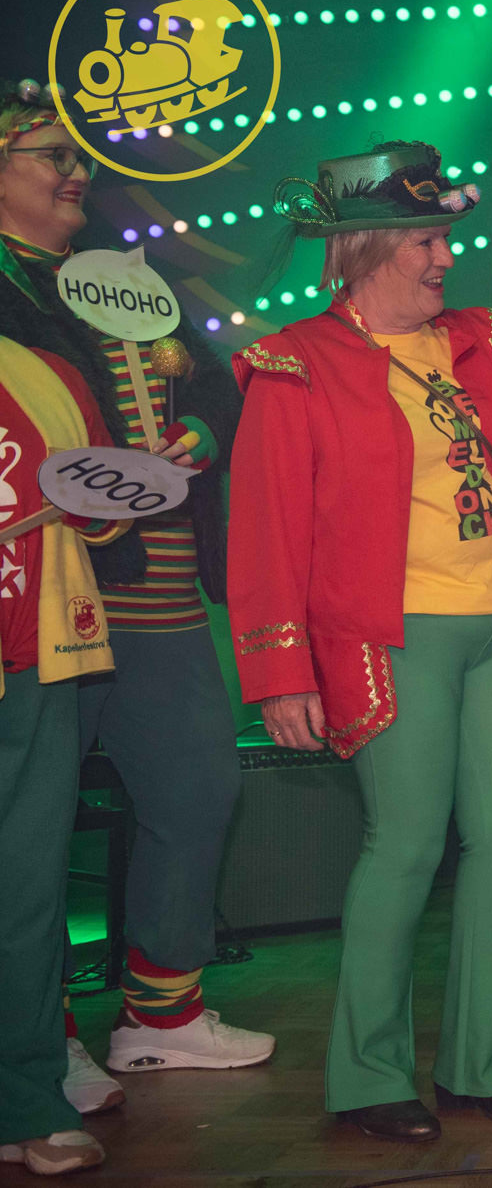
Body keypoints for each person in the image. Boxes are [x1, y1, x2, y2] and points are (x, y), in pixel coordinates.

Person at [226, 141, 492, 1142]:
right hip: (392, 631)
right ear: (366, 249)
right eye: (425, 239)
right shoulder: (299, 362)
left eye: (444, 237)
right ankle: (371, 1076)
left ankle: (482, 1065)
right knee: (406, 843)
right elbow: (267, 530)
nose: (446, 257)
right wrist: (281, 672)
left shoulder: (470, 344)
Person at [0, 79, 264, 1099]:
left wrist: (198, 430)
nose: (76, 174)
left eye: (81, 159)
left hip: (161, 592)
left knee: (199, 788)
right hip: (51, 592)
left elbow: (212, 382)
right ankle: (43, 1037)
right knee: (33, 829)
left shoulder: (117, 272)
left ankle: (162, 1012)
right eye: (51, 157)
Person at [0, 290, 127, 1177]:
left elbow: (108, 508)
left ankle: (26, 1099)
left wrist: (107, 494)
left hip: (34, 661)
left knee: (27, 890)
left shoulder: (47, 373)